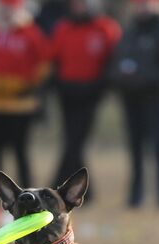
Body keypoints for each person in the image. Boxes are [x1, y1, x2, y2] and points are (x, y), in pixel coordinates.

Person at [109, 0, 159, 209]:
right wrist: (121, 76)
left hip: (158, 97)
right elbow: (116, 61)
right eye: (139, 4)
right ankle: (135, 196)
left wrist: (147, 76)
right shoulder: (130, 30)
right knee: (135, 148)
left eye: (147, 3)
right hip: (132, 98)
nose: (142, 7)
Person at [0, 0, 51, 204]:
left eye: (11, 9)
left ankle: (30, 195)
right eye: (3, 9)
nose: (6, 13)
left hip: (20, 106)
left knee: (21, 152)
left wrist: (29, 86)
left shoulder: (30, 33)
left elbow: (43, 63)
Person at [51, 0, 121, 199]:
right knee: (72, 142)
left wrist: (100, 87)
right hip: (67, 94)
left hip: (91, 94)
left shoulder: (106, 28)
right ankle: (82, 191)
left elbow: (112, 61)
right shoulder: (63, 28)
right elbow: (54, 59)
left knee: (75, 142)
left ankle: (59, 185)